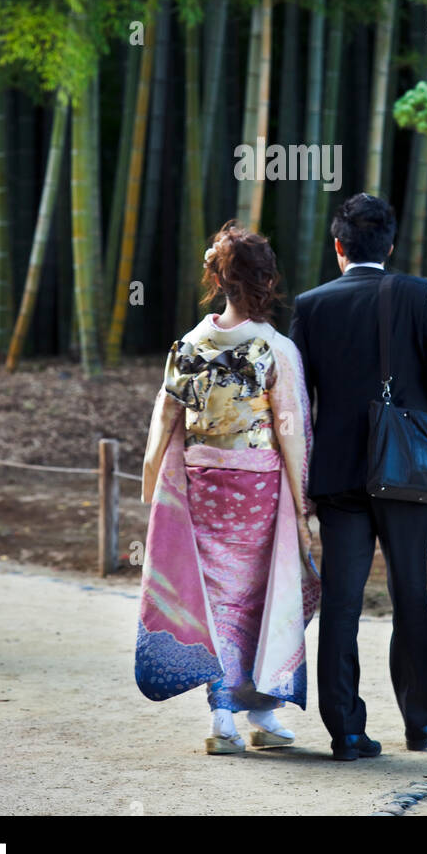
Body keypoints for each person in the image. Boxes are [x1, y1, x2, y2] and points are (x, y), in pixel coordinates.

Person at [289, 192, 427, 760]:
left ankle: (345, 731)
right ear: (389, 245)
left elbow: (297, 397)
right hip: (407, 468)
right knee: (410, 592)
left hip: (338, 475)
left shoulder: (311, 304)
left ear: (338, 246)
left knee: (342, 602)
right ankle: (419, 721)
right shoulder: (419, 295)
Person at [135, 220, 320, 755]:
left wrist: (155, 487)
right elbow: (292, 432)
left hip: (201, 485)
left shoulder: (188, 345)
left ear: (217, 280)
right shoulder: (273, 347)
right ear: (267, 282)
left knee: (217, 602)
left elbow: (162, 425)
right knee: (261, 598)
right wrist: (302, 504)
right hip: (259, 489)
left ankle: (227, 718)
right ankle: (262, 710)